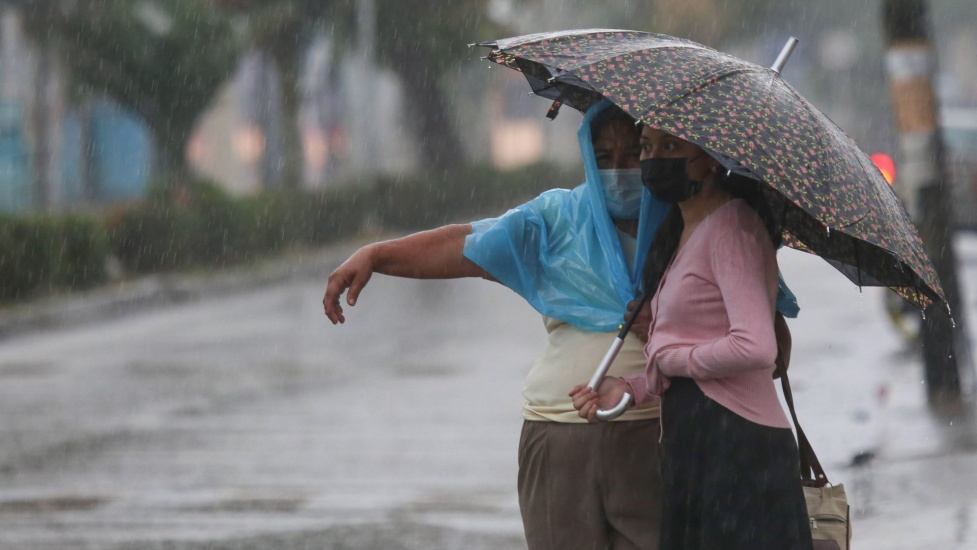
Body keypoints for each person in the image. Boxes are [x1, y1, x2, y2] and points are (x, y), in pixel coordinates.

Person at [324, 100, 797, 549]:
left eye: (637, 152)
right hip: (557, 436)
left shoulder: (699, 222)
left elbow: (768, 347)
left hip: (658, 438)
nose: (622, 169)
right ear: (587, 158)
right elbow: (467, 244)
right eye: (604, 156)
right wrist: (378, 255)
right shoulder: (554, 219)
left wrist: (669, 337)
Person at [571, 126, 813, 549]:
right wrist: (632, 388)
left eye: (671, 146)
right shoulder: (682, 231)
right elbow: (694, 350)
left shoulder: (732, 228)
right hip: (699, 445)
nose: (652, 159)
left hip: (738, 449)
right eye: (647, 146)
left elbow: (756, 346)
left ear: (713, 157)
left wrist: (671, 360)